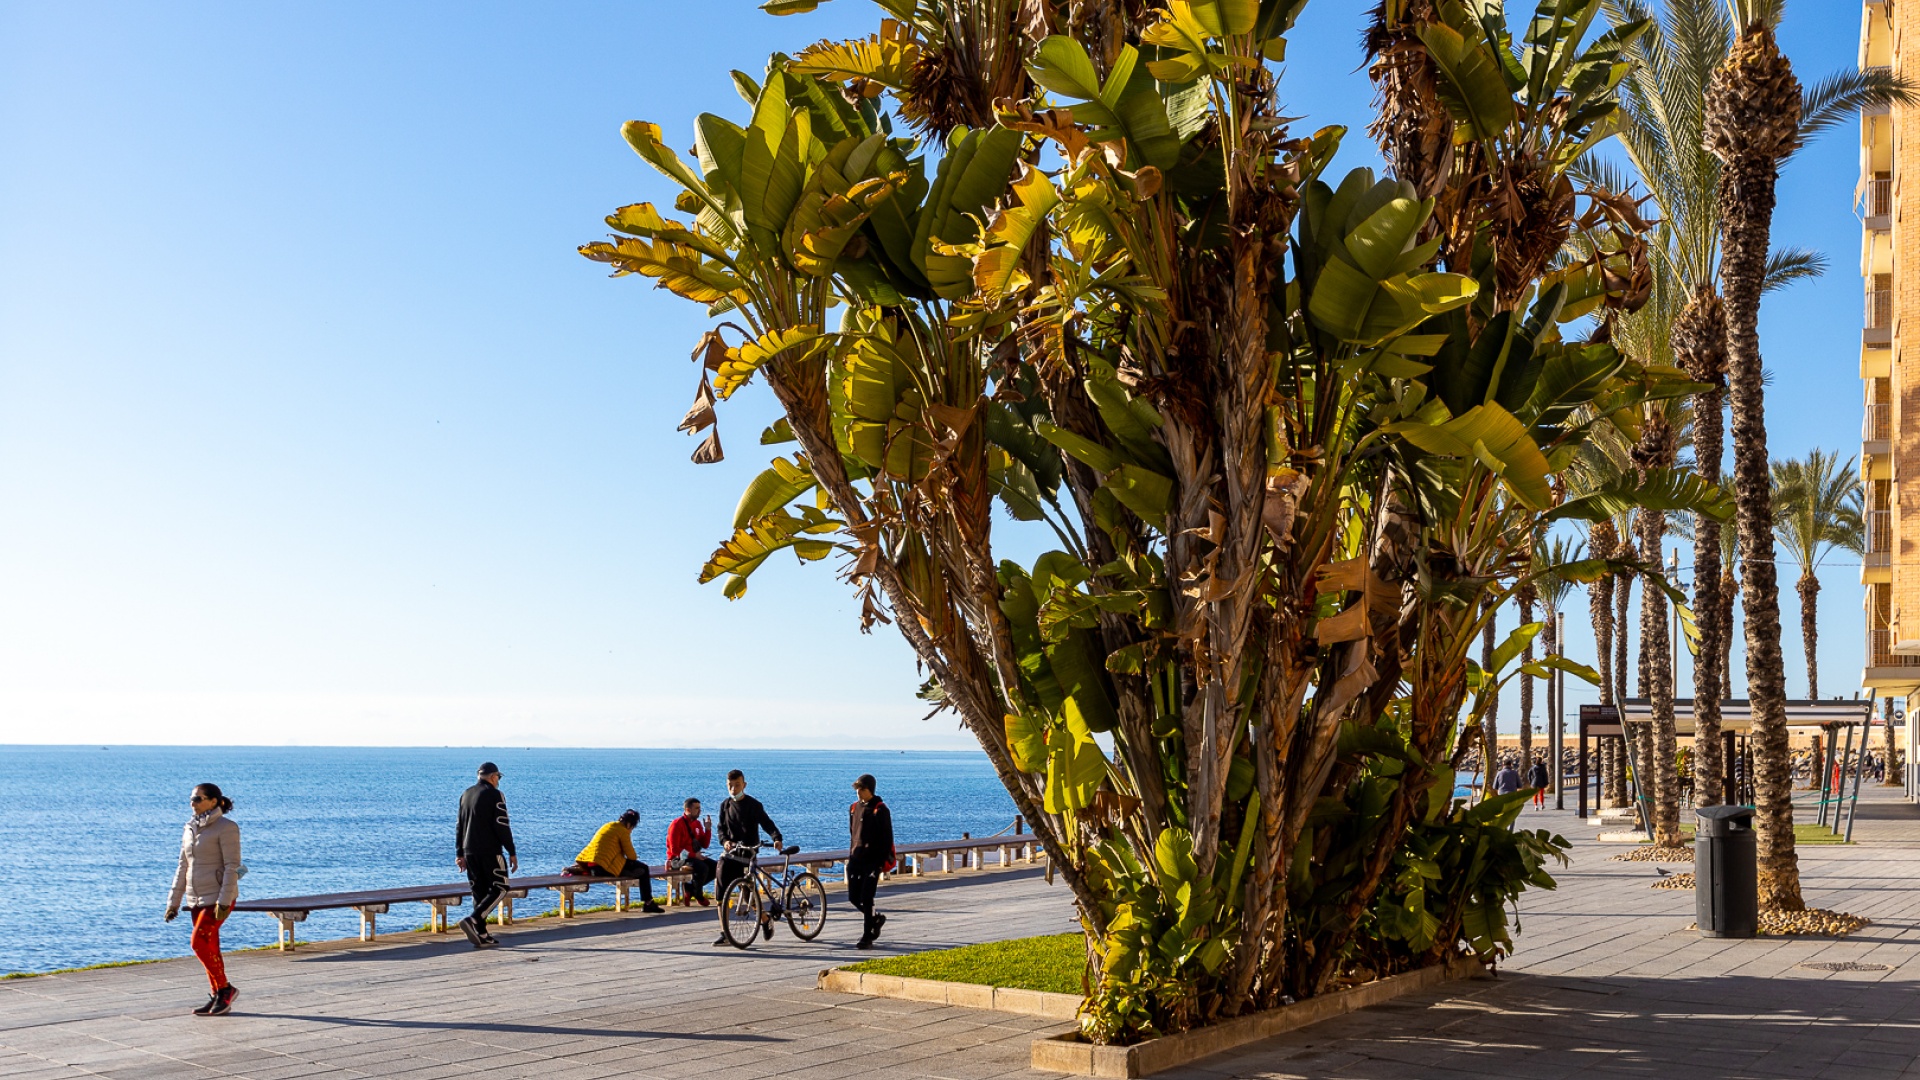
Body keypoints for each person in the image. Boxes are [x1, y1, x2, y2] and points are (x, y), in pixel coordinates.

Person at [166, 783, 242, 1016]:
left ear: (214, 801)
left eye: (198, 798)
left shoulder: (226, 828)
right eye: (191, 798)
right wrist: (173, 902)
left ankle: (226, 989)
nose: (193, 803)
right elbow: (183, 865)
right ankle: (217, 994)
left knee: (198, 943)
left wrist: (224, 900)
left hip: (218, 897)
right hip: (195, 898)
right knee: (211, 947)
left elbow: (233, 866)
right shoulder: (189, 828)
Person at [713, 769, 782, 946]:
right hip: (730, 853)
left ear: (744, 785)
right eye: (730, 785)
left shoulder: (754, 805)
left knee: (747, 894)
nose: (734, 789)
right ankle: (725, 933)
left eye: (737, 785)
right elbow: (721, 828)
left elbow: (767, 823)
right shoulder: (725, 805)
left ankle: (765, 919)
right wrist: (725, 841)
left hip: (748, 853)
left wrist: (776, 838)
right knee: (720, 890)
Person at [455, 762, 517, 948]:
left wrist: (459, 853)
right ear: (492, 776)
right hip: (490, 850)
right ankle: (474, 919)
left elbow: (460, 826)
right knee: (501, 887)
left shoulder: (466, 794)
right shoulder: (495, 795)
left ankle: (481, 933)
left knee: (479, 892)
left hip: (469, 851)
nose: (499, 781)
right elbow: (502, 825)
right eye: (499, 777)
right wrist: (511, 851)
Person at [565, 810, 664, 913]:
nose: (631, 830)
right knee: (644, 869)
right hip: (603, 868)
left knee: (632, 868)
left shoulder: (608, 825)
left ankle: (577, 869)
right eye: (633, 827)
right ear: (629, 824)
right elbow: (631, 856)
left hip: (592, 866)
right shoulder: (623, 831)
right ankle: (648, 903)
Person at [847, 773, 896, 949]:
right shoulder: (853, 808)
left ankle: (867, 936)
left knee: (867, 898)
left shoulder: (880, 809)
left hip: (872, 861)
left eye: (862, 788)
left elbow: (887, 838)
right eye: (857, 788)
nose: (858, 792)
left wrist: (880, 863)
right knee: (853, 897)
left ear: (870, 790)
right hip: (855, 858)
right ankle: (875, 919)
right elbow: (853, 833)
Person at [666, 797, 716, 906]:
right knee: (702, 867)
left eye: (700, 808)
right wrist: (694, 855)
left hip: (694, 856)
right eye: (697, 808)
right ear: (688, 810)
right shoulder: (676, 824)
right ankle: (698, 894)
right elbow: (675, 850)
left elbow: (705, 844)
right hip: (678, 858)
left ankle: (690, 889)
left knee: (716, 867)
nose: (700, 811)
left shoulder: (697, 824)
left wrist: (708, 829)